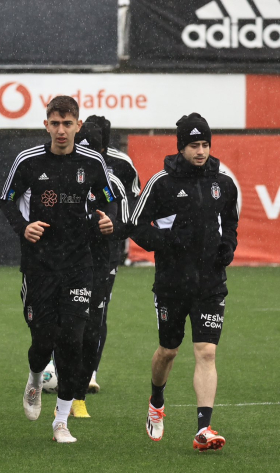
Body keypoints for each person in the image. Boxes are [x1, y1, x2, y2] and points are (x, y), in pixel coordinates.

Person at [0, 95, 117, 443]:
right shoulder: (29, 160)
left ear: (78, 126)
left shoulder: (92, 161)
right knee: (43, 340)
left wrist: (108, 219)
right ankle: (36, 376)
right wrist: (24, 227)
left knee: (73, 341)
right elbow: (6, 200)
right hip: (40, 266)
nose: (61, 130)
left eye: (67, 123)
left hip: (79, 265)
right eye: (55, 123)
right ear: (46, 125)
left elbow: (109, 198)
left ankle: (61, 421)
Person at [130, 113, 238, 451]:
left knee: (206, 352)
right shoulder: (162, 182)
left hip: (210, 284)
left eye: (205, 144)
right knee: (168, 351)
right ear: (181, 147)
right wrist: (168, 242)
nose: (201, 151)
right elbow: (136, 224)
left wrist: (228, 246)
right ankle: (156, 400)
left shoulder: (223, 182)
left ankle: (204, 429)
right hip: (172, 283)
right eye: (194, 145)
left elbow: (230, 222)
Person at [70, 123, 130, 418]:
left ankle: (79, 395)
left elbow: (127, 223)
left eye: (91, 151)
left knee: (92, 328)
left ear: (101, 153)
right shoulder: (61, 176)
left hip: (99, 265)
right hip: (64, 263)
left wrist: (112, 226)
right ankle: (56, 381)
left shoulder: (112, 184)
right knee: (65, 329)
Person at [83, 115, 141, 392]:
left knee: (98, 310)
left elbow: (133, 203)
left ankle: (90, 372)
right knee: (66, 311)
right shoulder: (65, 165)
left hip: (106, 252)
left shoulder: (121, 167)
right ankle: (54, 366)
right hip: (70, 252)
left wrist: (114, 226)